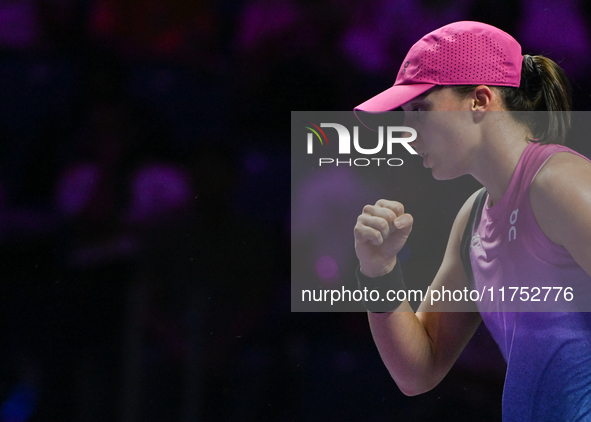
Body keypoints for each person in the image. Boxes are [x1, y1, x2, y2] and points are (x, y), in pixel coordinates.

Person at [353, 21, 591, 421]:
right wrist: (379, 271)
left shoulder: (560, 184)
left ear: (480, 99)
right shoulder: (472, 219)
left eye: (419, 110)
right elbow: (418, 370)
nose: (408, 132)